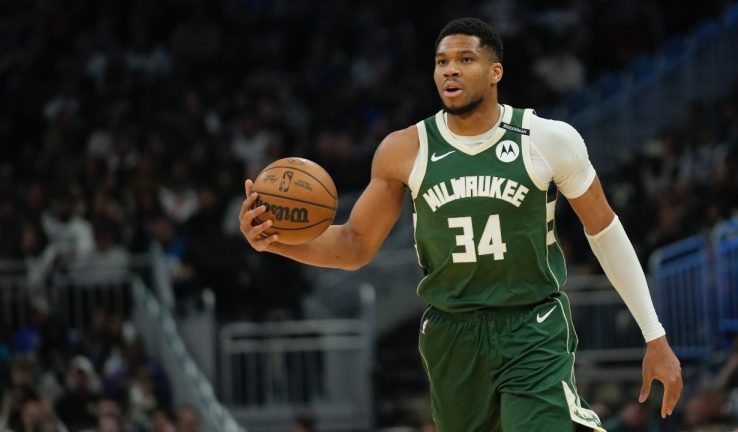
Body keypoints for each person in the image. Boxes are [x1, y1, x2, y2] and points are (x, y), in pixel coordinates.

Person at [239, 17, 682, 431]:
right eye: (442, 62)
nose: (450, 71)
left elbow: (604, 230)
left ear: (495, 72)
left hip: (531, 322)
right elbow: (354, 245)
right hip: (451, 333)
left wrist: (654, 334)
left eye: (465, 60)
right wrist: (273, 241)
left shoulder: (549, 139)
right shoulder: (404, 150)